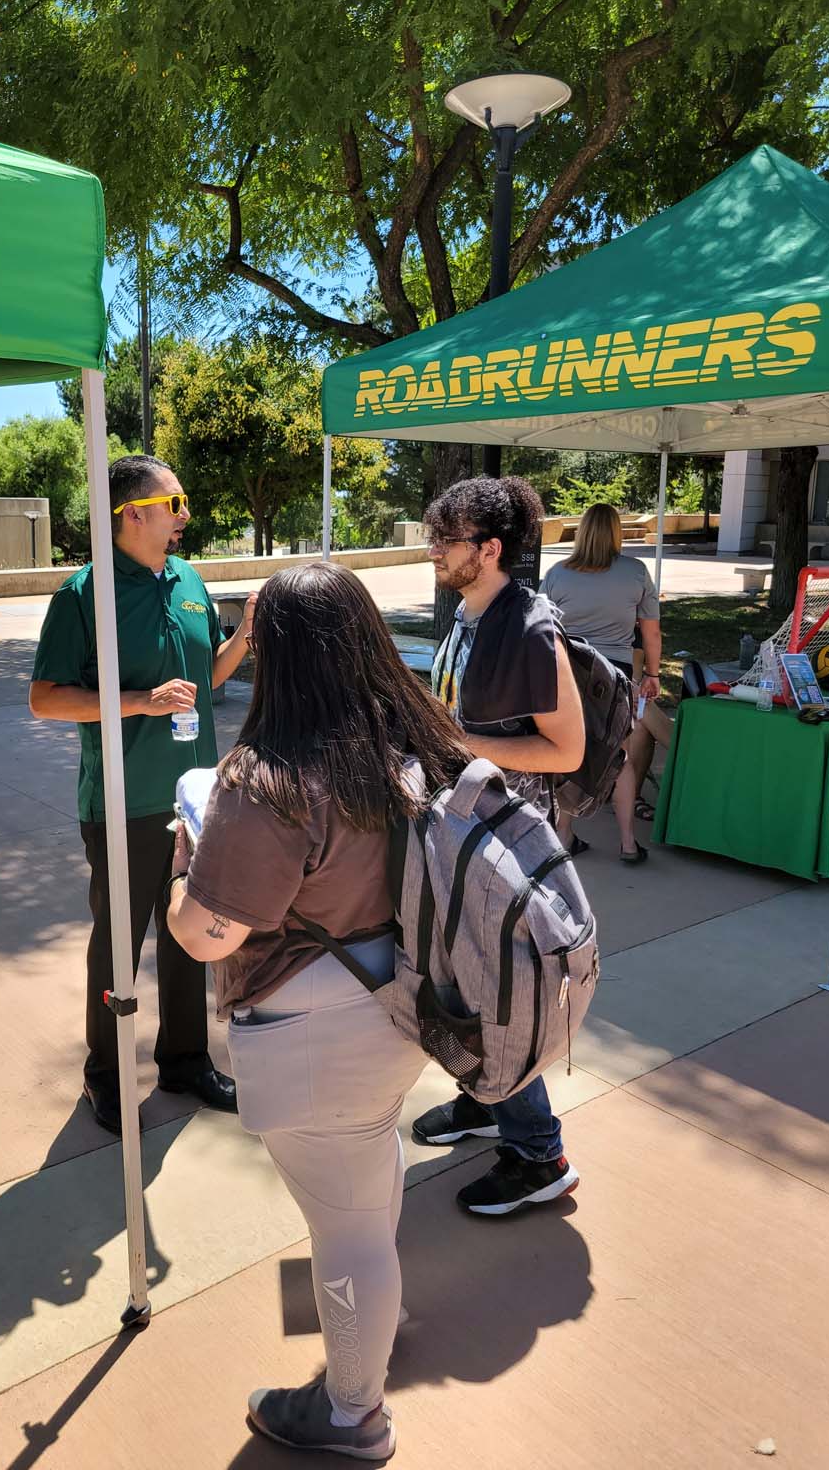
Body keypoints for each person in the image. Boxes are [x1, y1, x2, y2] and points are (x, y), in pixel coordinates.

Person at [167, 562, 471, 1462]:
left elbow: (206, 937)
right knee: (367, 1190)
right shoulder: (406, 740)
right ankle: (373, 1330)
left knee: (342, 1228)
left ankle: (352, 1413)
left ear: (276, 651)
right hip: (397, 1004)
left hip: (310, 1030)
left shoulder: (269, 780)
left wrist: (187, 859)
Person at [29, 454, 254, 1136]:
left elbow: (208, 676)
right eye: (174, 501)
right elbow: (44, 699)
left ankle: (185, 1059)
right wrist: (137, 703)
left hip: (195, 796)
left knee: (189, 934)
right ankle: (104, 1075)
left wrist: (246, 635)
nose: (186, 514)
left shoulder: (189, 579)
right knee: (118, 945)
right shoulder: (82, 594)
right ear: (133, 513)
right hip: (123, 803)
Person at [410, 475, 586, 1217]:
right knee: (462, 983)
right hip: (467, 833)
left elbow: (567, 751)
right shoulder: (470, 613)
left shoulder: (529, 628)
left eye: (445, 542)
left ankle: (538, 1152)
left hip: (505, 846)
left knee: (496, 990)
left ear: (487, 549)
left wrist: (451, 739)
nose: (434, 553)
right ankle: (486, 1101)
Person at [540, 502, 670, 862]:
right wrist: (653, 675)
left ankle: (564, 833)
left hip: (569, 674)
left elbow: (540, 629)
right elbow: (652, 633)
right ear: (616, 532)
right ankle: (628, 842)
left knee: (571, 755)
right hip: (616, 676)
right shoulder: (636, 572)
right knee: (622, 757)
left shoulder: (557, 574)